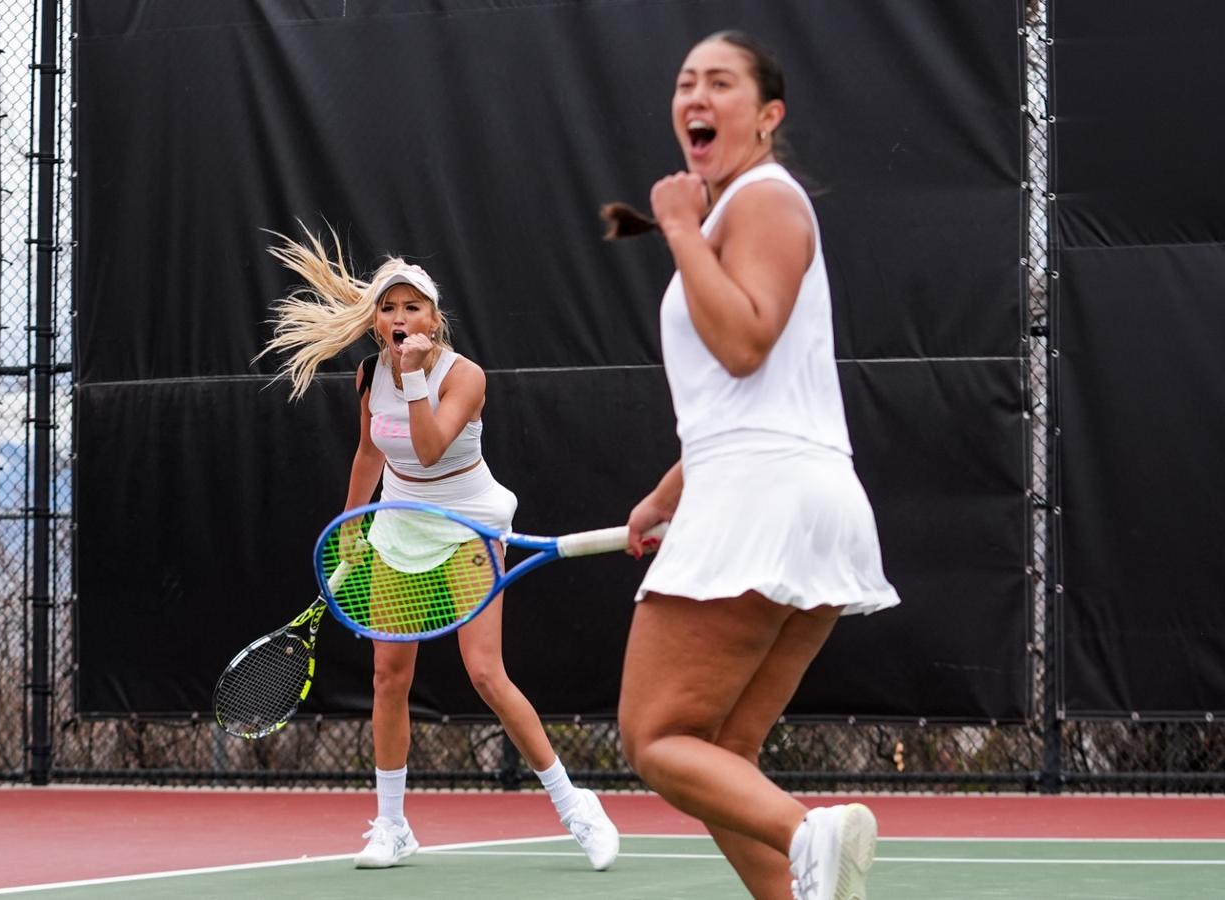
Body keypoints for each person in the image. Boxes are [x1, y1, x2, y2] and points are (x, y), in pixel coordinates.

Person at [606, 31, 901, 900]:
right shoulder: (745, 211)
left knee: (656, 738)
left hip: (764, 495)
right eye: (686, 80)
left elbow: (742, 343)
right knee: (723, 753)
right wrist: (665, 496)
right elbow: (747, 399)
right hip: (791, 493)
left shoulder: (766, 203)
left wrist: (675, 225)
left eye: (721, 82)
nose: (697, 94)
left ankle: (810, 832)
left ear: (768, 115)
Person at [256, 226, 619, 872]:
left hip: (469, 526)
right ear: (377, 323)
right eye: (389, 308)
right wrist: (351, 528)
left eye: (412, 306)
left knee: (486, 673)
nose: (400, 317)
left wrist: (418, 376)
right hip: (398, 523)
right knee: (388, 677)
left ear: (434, 317)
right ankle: (392, 825)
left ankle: (575, 806)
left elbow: (427, 448)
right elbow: (372, 452)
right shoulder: (369, 377)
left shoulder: (465, 377)